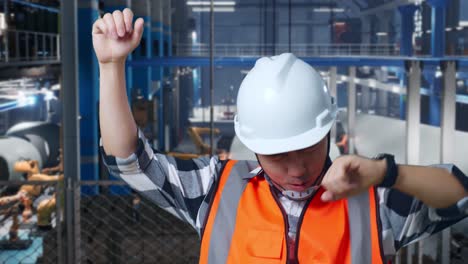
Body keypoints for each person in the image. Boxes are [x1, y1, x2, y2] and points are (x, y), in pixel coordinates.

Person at [93, 9, 468, 263]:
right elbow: (130, 162)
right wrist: (111, 67)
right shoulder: (216, 189)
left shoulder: (374, 202)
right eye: (277, 155)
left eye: (306, 148)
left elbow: (460, 194)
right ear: (254, 148)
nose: (296, 169)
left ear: (327, 131)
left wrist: (387, 173)